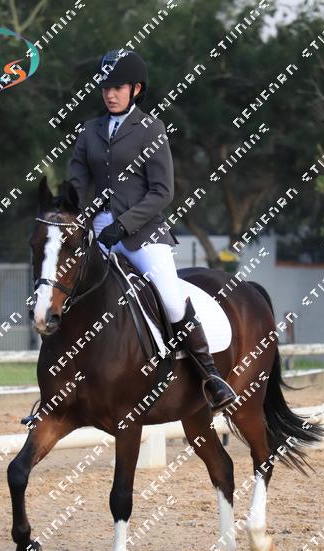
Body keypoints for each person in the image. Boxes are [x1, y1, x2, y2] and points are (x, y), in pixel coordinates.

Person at [69, 49, 236, 412]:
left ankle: (211, 377)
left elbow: (162, 192)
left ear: (136, 89)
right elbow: (77, 185)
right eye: (105, 87)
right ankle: (58, 384)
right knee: (69, 292)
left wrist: (123, 225)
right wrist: (70, 214)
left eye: (117, 88)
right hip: (98, 230)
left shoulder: (151, 129)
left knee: (172, 300)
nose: (110, 94)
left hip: (142, 234)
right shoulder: (89, 131)